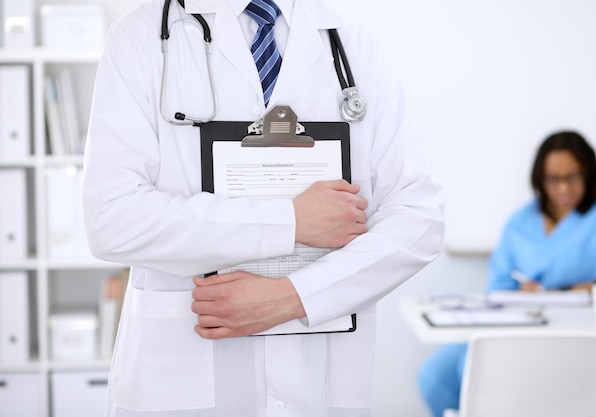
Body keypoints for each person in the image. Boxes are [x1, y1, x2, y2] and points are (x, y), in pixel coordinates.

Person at [81, 1, 445, 416]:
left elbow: (419, 216)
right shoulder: (140, 38)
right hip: (185, 377)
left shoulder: (352, 43)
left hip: (319, 381)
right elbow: (111, 218)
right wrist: (291, 221)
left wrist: (296, 297)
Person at [417, 130, 596, 417]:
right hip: (519, 322)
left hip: (578, 332)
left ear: (589, 174)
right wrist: (519, 295)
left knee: (476, 369)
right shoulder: (520, 222)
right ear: (540, 179)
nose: (563, 188)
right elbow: (498, 289)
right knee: (435, 375)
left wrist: (579, 290)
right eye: (554, 179)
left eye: (573, 177)